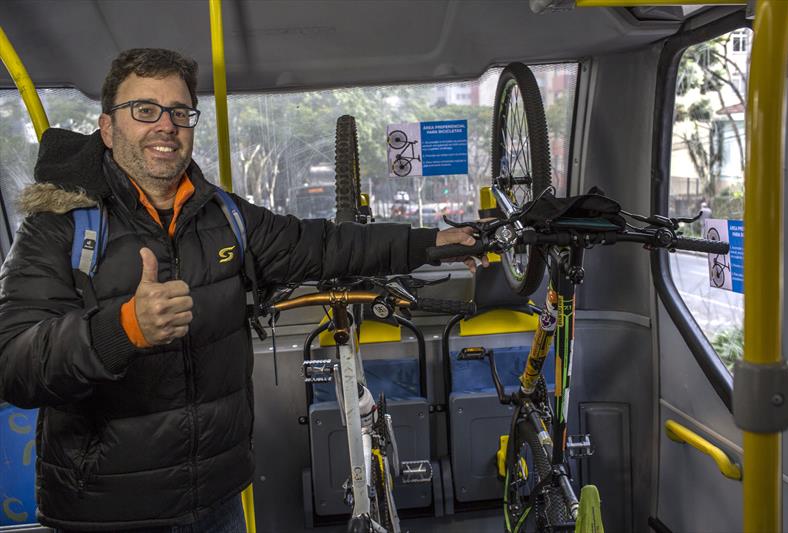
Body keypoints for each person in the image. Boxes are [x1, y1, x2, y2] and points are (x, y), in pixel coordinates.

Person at [0, 48, 483, 532]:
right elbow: (13, 364)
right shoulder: (60, 228)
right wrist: (123, 329)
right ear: (107, 128)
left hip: (217, 501)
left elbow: (322, 245)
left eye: (179, 112)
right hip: (106, 512)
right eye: (145, 110)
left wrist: (430, 243)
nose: (166, 125)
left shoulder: (224, 216)